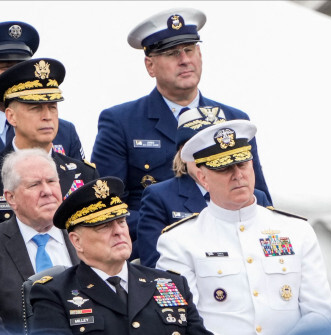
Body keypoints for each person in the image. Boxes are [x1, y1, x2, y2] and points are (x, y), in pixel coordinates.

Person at [91, 8, 271, 246]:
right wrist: (177, 225)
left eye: (189, 49)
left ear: (200, 55)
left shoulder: (233, 121)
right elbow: (106, 205)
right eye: (172, 53)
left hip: (237, 245)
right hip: (156, 249)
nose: (184, 60)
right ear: (150, 66)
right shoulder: (121, 122)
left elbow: (258, 196)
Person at [156, 120, 331, 335]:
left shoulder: (296, 231)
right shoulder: (178, 241)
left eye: (242, 164)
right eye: (224, 168)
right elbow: (178, 318)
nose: (237, 175)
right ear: (201, 176)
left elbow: (320, 311)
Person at [29, 176, 218, 335]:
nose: (118, 231)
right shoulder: (53, 293)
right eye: (103, 226)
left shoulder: (171, 283)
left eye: (121, 222)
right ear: (76, 241)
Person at [138, 106, 271, 267]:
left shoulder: (255, 197)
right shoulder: (159, 197)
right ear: (183, 152)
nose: (208, 156)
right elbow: (155, 264)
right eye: (201, 149)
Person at [0, 58, 99, 222]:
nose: (47, 117)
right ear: (11, 116)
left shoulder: (85, 174)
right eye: (36, 108)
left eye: (52, 107)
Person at [0, 149, 79, 335]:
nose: (47, 191)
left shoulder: (85, 234)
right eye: (34, 184)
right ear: (11, 198)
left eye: (51, 181)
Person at [0, 20, 86, 160]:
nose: (15, 76)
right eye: (6, 67)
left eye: (22, 68)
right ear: (11, 116)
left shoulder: (64, 131)